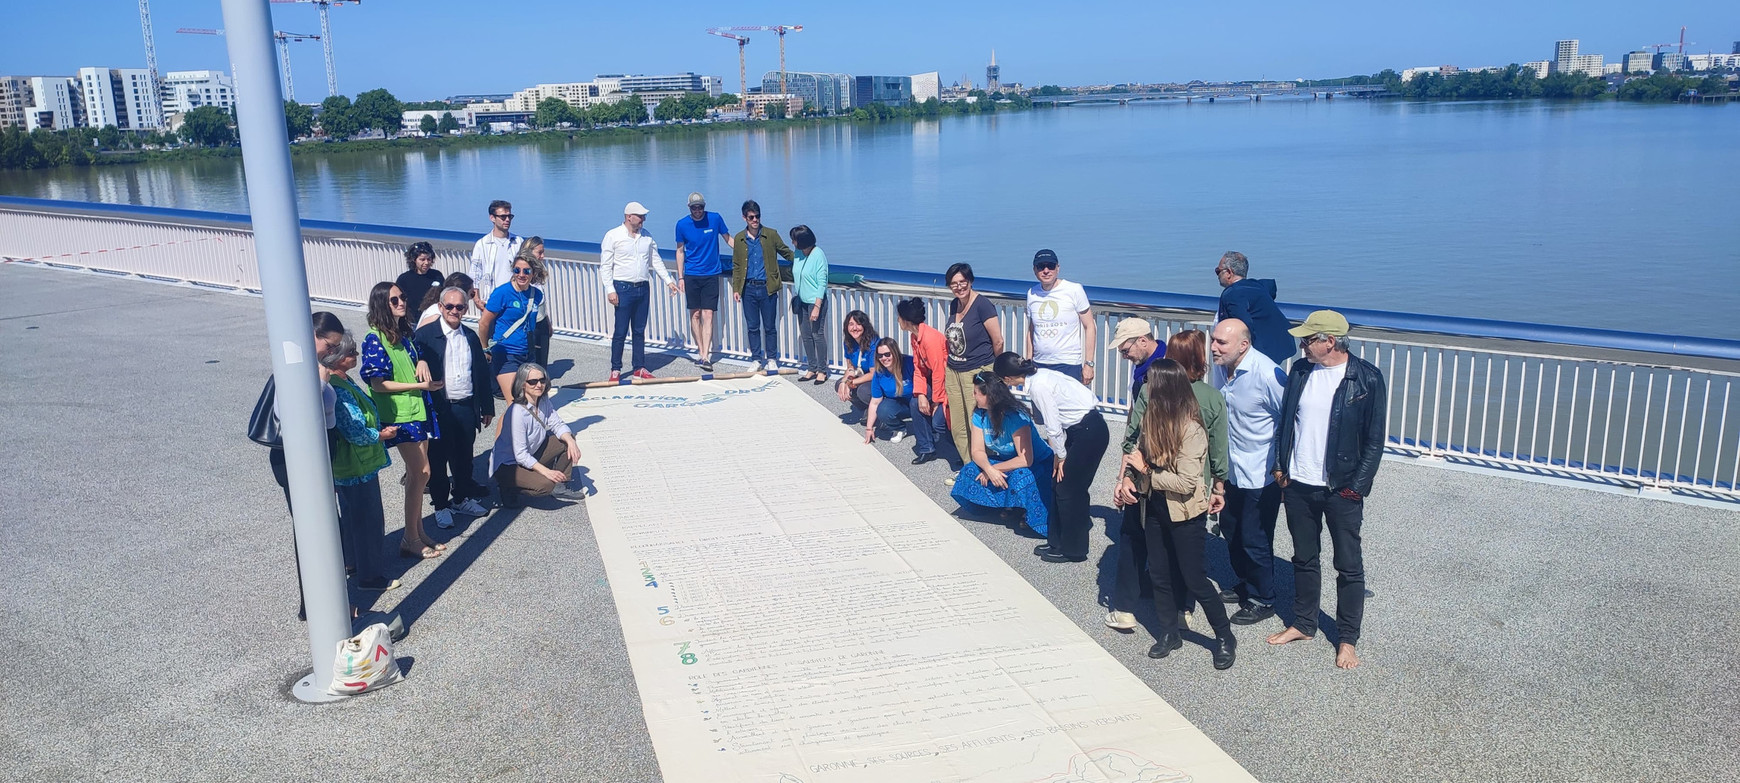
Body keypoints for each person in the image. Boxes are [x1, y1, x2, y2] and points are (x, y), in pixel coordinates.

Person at [1267, 310, 1386, 670]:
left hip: (1341, 489)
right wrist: (1280, 469)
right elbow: (1286, 422)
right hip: (1299, 483)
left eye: (1307, 339)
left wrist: (1357, 488)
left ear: (1329, 342)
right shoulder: (1300, 371)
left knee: (1348, 565)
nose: (1301, 345)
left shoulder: (1366, 378)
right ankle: (1304, 624)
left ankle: (1347, 639)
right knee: (1304, 558)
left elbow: (1375, 440)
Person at [1114, 359, 1237, 670]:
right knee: (1159, 574)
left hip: (1185, 513)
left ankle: (1224, 637)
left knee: (1194, 578)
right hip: (1154, 507)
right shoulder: (1151, 420)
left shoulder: (1192, 429)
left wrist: (1146, 473)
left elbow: (1185, 483)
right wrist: (1129, 477)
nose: (1146, 388)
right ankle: (1169, 633)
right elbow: (1136, 456)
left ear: (1165, 389)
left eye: (1151, 384)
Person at [1210, 318, 1289, 626]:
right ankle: (1246, 581)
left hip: (1260, 473)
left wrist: (1282, 468)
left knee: (1256, 537)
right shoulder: (1220, 367)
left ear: (1244, 345)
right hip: (1230, 469)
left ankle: (1263, 598)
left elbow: (1291, 417)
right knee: (1231, 529)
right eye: (1214, 340)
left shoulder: (1268, 374)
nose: (1214, 347)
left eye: (1221, 343)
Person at [995, 352, 1108, 564]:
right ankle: (1057, 541)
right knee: (1058, 484)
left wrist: (1061, 455)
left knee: (1069, 489)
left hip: (1088, 432)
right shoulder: (1041, 374)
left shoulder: (1038, 387)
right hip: (1079, 430)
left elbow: (1053, 426)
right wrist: (1060, 452)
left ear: (1008, 379)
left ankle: (1074, 549)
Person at [360, 281, 445, 560]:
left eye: (403, 298)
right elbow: (378, 383)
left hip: (417, 411)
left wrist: (421, 361)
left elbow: (412, 362)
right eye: (394, 300)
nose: (401, 303)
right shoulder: (375, 338)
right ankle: (409, 537)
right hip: (399, 414)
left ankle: (417, 532)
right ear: (382, 304)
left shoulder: (402, 334)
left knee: (420, 475)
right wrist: (418, 387)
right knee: (419, 472)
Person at [320, 333, 401, 594]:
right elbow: (353, 429)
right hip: (357, 464)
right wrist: (382, 435)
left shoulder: (338, 381)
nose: (356, 355)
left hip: (348, 465)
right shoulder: (338, 387)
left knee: (352, 518)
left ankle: (353, 564)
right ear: (336, 358)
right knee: (368, 520)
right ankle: (370, 577)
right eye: (351, 352)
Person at [414, 286, 496, 530]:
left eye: (459, 307)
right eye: (448, 306)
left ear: (465, 309)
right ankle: (440, 505)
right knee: (437, 460)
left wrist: (487, 407)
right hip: (439, 408)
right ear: (440, 307)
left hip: (465, 406)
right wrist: (419, 359)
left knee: (463, 458)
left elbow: (481, 373)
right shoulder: (425, 335)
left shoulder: (470, 337)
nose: (454, 311)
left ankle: (461, 498)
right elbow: (412, 355)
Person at [1102, 317, 1166, 632]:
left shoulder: (1154, 371)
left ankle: (1124, 606)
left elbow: (1138, 422)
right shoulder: (1156, 363)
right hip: (1158, 459)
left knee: (1131, 532)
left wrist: (1126, 470)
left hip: (1148, 460)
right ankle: (1174, 602)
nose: (1123, 354)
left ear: (1142, 339)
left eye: (1125, 348)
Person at [949, 372, 1054, 536]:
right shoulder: (980, 414)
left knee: (1020, 477)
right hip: (1007, 461)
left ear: (988, 396)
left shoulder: (1016, 418)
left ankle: (1027, 510)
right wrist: (989, 469)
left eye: (976, 392)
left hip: (1037, 463)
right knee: (970, 470)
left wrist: (995, 468)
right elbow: (976, 451)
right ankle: (1002, 505)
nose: (973, 396)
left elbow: (1026, 459)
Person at [601, 202, 676, 382]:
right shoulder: (613, 236)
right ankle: (616, 369)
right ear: (629, 217)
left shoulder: (647, 237)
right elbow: (605, 266)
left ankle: (639, 367)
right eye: (640, 216)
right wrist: (610, 290)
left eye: (644, 217)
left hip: (642, 287)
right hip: (622, 288)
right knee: (620, 331)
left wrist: (668, 281)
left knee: (639, 330)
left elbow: (655, 260)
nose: (643, 220)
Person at [490, 363, 585, 505]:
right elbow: (520, 455)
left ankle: (560, 484)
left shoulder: (543, 400)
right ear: (522, 384)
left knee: (567, 438)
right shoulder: (517, 412)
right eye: (532, 382)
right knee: (546, 485)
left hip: (530, 453)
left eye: (542, 380)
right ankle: (508, 487)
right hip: (509, 465)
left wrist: (571, 442)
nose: (539, 385)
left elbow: (557, 424)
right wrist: (547, 472)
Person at [942, 263, 1004, 479]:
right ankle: (969, 469)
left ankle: (985, 468)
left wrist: (992, 372)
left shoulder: (983, 305)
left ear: (970, 281)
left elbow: (998, 341)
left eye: (962, 282)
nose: (959, 287)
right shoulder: (954, 305)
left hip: (976, 371)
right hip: (954, 370)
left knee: (976, 423)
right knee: (958, 426)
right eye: (954, 284)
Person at [730, 199, 794, 372]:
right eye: (751, 217)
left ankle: (771, 358)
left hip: (767, 287)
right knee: (752, 326)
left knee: (769, 326)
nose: (755, 220)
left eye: (757, 216)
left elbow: (786, 252)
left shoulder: (771, 235)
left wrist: (805, 259)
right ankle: (756, 359)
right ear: (744, 218)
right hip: (748, 288)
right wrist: (736, 288)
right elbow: (736, 265)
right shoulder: (739, 239)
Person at [673, 192, 733, 372]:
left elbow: (729, 239)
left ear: (704, 206)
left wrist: (749, 248)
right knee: (695, 314)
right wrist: (681, 276)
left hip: (711, 273)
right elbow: (680, 251)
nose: (698, 211)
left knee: (708, 314)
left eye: (700, 207)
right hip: (691, 274)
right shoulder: (682, 224)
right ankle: (701, 351)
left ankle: (706, 355)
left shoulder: (715, 219)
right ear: (689, 208)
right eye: (694, 208)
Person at [476, 253, 544, 403]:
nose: (521, 274)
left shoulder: (537, 295)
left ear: (533, 273)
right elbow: (484, 323)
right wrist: (485, 348)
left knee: (531, 400)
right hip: (506, 354)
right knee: (514, 403)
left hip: (528, 354)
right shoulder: (502, 293)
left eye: (526, 271)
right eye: (517, 270)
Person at [1024, 249, 1096, 384]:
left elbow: (1090, 326)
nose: (1046, 271)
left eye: (1050, 266)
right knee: (1040, 405)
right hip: (1039, 365)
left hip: (1068, 364)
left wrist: (1089, 364)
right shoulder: (1031, 293)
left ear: (1058, 268)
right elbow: (1032, 329)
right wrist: (1029, 360)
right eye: (1041, 267)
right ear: (1034, 270)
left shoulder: (1074, 290)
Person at [896, 297, 953, 467]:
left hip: (947, 380)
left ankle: (961, 449)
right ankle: (927, 448)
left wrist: (935, 401)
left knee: (939, 420)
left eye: (899, 318)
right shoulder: (915, 337)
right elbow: (918, 367)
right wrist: (921, 394)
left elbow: (939, 372)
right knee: (915, 403)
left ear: (906, 320)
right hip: (932, 378)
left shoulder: (930, 338)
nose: (898, 321)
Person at [1215, 251, 1294, 367]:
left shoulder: (1232, 295)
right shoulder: (1257, 287)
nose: (1217, 275)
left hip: (1257, 356)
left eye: (1218, 271)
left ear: (1229, 272)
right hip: (1277, 347)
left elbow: (1243, 326)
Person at [861, 338, 934, 457]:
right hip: (900, 404)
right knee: (883, 409)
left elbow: (926, 379)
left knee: (916, 402)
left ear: (894, 352)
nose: (884, 358)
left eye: (887, 354)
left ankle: (927, 440)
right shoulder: (879, 373)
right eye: (880, 355)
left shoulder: (909, 363)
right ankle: (900, 428)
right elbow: (875, 402)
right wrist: (869, 428)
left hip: (918, 400)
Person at [790, 225, 830, 383]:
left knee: (817, 335)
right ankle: (811, 368)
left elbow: (822, 283)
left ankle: (822, 369)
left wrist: (817, 306)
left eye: (794, 239)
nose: (792, 242)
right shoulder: (798, 253)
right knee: (806, 335)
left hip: (815, 301)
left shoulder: (819, 255)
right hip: (802, 300)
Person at [469, 199, 524, 312]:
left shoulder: (518, 242)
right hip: (492, 301)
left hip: (517, 299)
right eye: (503, 217)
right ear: (492, 218)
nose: (507, 220)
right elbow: (475, 273)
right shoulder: (483, 244)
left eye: (510, 216)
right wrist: (476, 299)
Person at [836, 310, 878, 421]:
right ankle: (866, 409)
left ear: (864, 326)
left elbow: (873, 373)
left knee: (862, 391)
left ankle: (879, 412)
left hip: (877, 378)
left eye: (858, 324)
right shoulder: (849, 342)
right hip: (861, 375)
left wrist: (851, 382)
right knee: (839, 384)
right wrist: (844, 382)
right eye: (851, 324)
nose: (855, 328)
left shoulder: (873, 343)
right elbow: (850, 368)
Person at [520, 236, 554, 368]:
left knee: (542, 361)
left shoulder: (539, 275)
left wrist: (547, 321)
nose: (542, 256)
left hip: (541, 321)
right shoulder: (521, 275)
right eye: (539, 252)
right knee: (531, 362)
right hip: (529, 324)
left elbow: (542, 301)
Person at [395, 241, 445, 325]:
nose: (426, 262)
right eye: (422, 259)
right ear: (414, 260)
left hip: (433, 320)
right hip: (412, 322)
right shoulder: (404, 279)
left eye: (429, 259)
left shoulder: (437, 275)